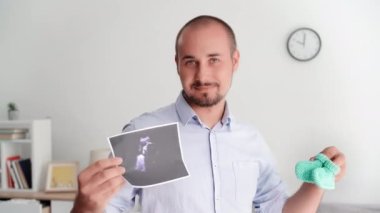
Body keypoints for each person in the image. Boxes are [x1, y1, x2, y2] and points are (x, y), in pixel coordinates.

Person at [71, 15, 346, 213]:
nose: (202, 75)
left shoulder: (250, 140)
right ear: (177, 64)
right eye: (191, 62)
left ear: (234, 61)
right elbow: (109, 208)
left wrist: (316, 183)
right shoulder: (145, 135)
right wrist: (84, 206)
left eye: (214, 60)